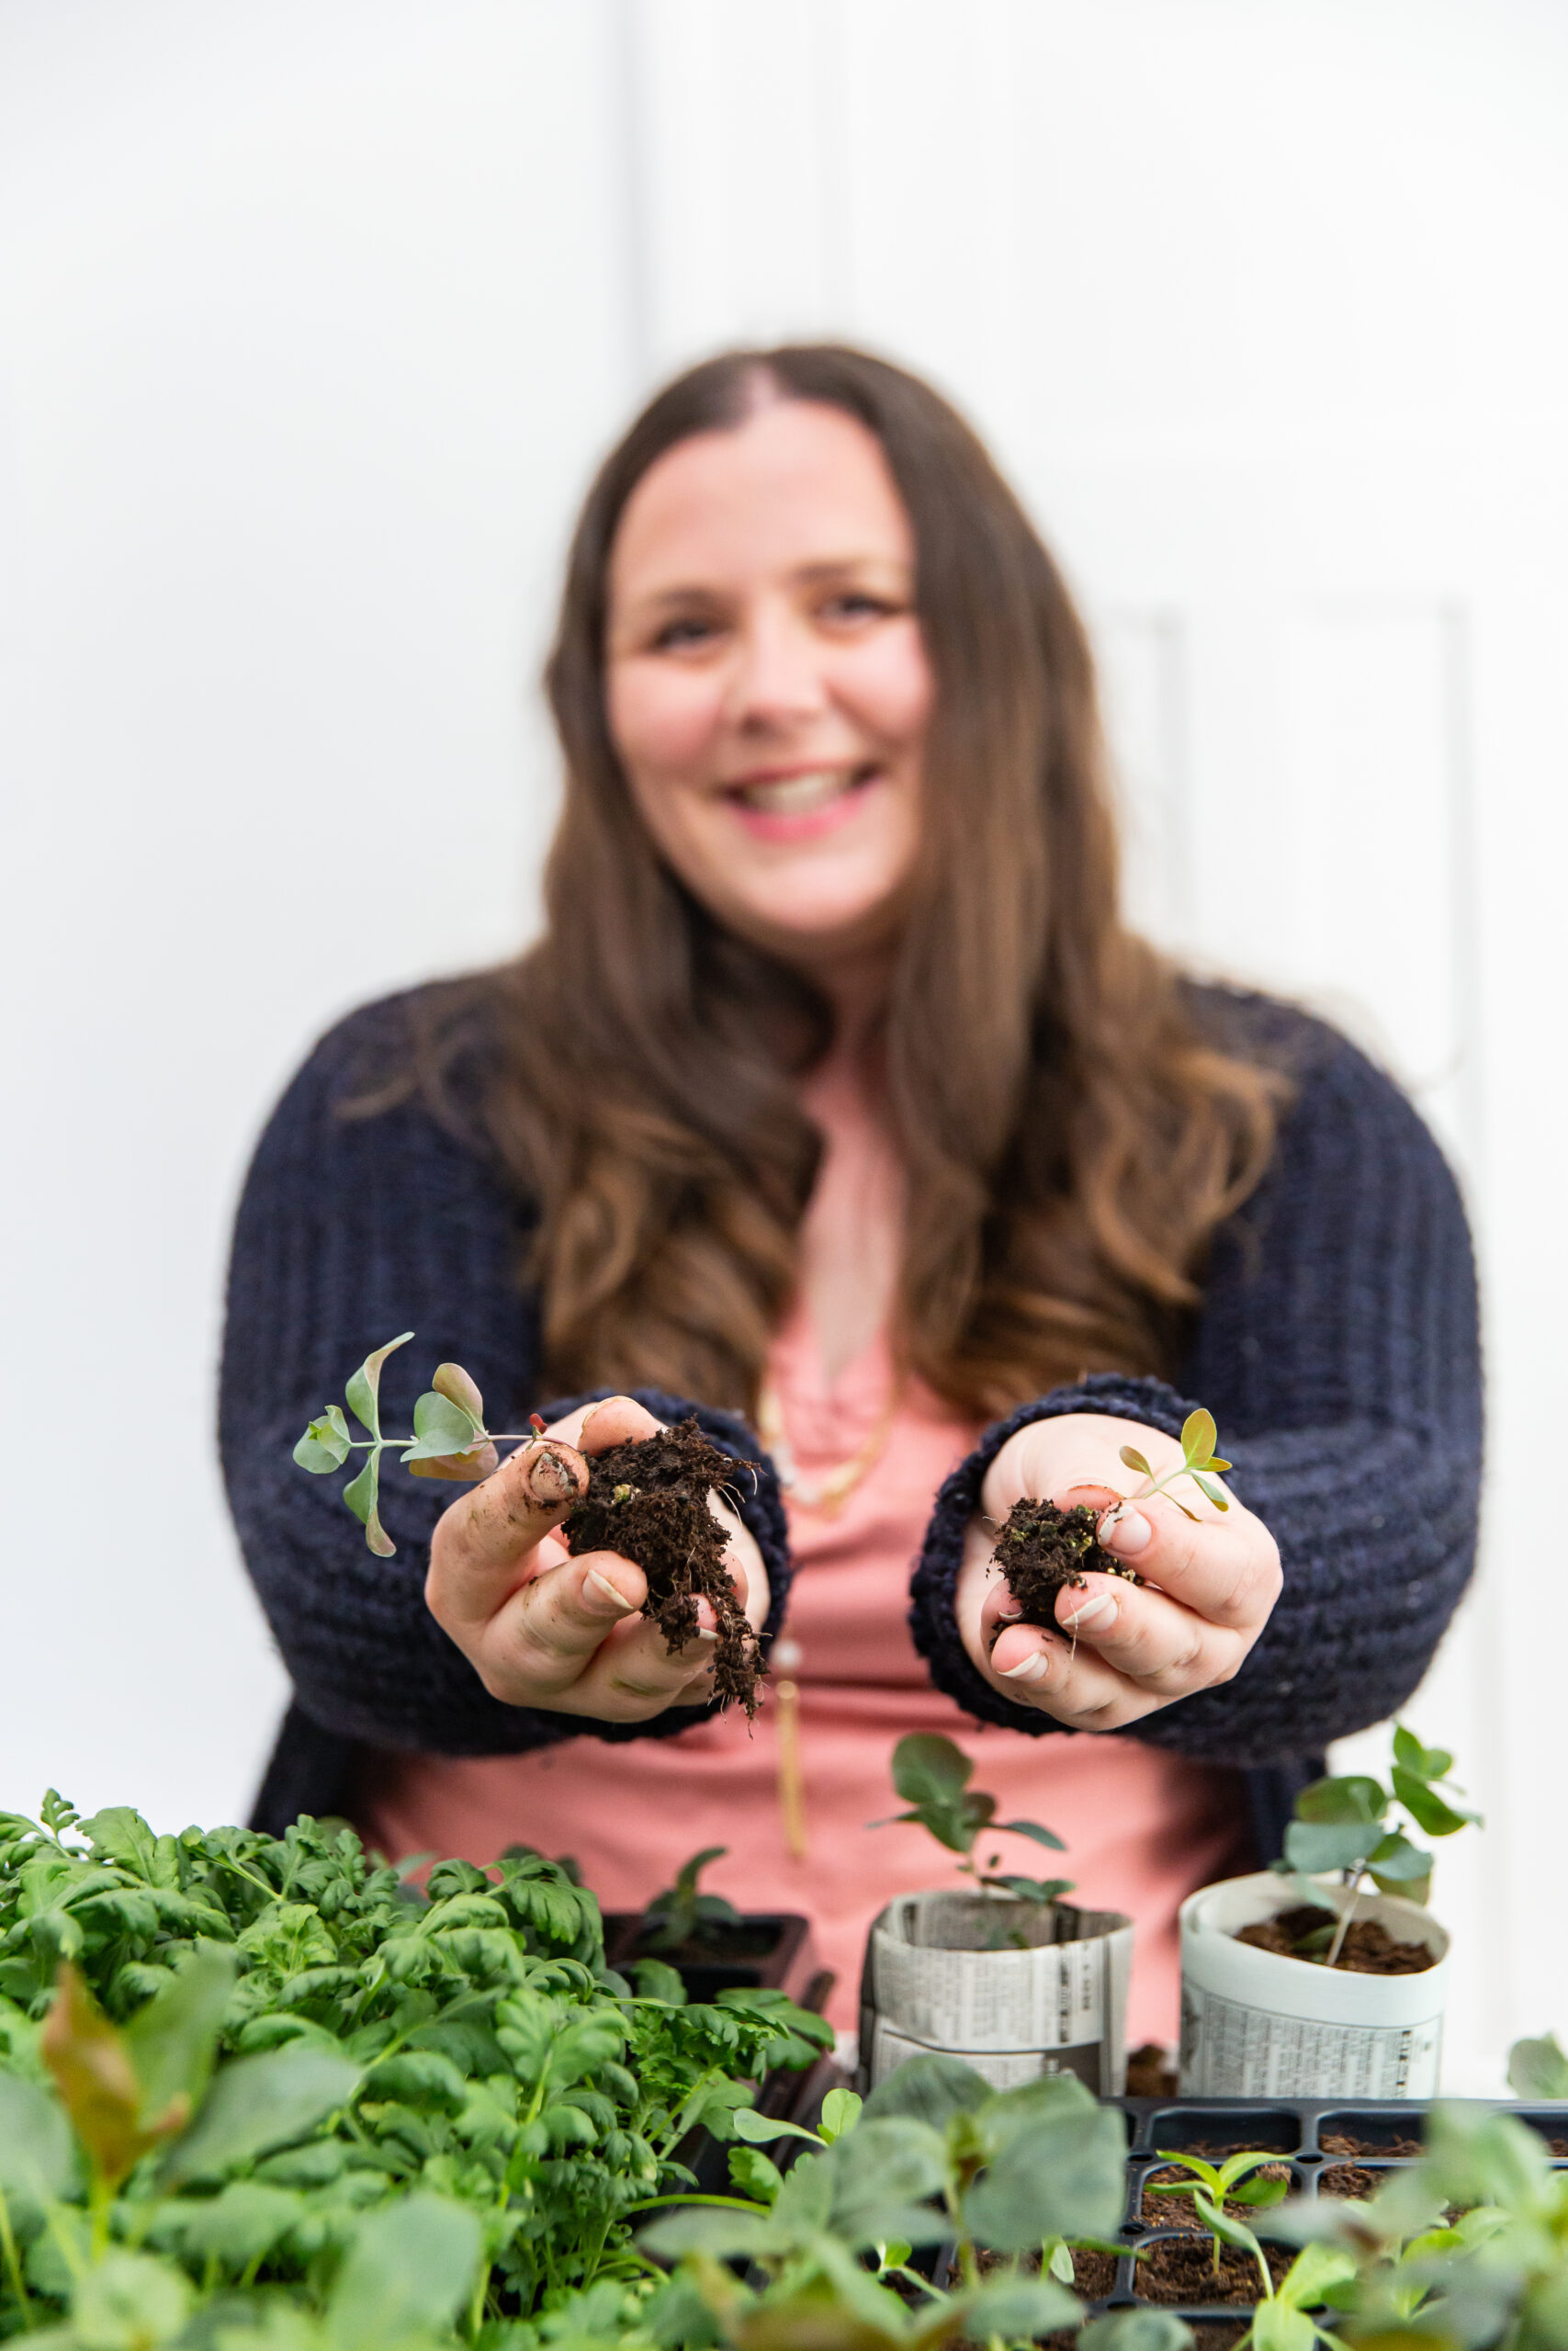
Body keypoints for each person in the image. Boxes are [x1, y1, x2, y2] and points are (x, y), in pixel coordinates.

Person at [220, 345, 1480, 2045]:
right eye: (686, 629)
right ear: (598, 705)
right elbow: (330, 1534)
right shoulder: (407, 1097)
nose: (769, 689)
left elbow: (1392, 1496)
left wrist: (1130, 1521)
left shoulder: (1282, 1109)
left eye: (852, 605)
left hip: (1078, 2092)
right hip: (492, 2063)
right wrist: (601, 1529)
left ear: (992, 652)